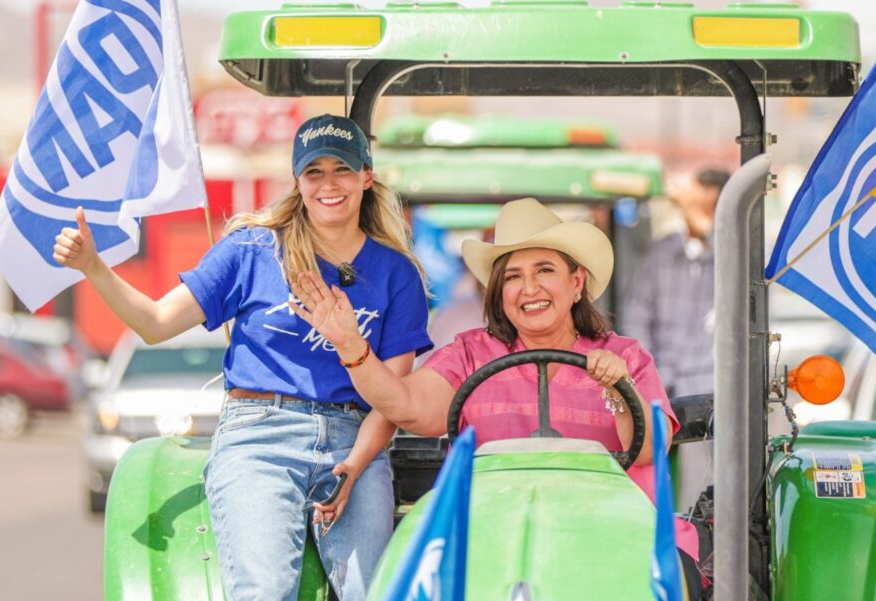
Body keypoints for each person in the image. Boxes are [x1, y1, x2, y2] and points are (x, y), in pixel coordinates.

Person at [52, 114, 432, 601]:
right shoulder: (253, 250)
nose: (329, 183)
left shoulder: (397, 273)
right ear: (297, 181)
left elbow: (393, 399)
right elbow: (156, 323)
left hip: (355, 442)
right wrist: (93, 267)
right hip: (260, 434)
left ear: (366, 179)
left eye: (342, 170)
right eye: (314, 171)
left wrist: (353, 467)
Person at [289, 197, 681, 498]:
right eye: (513, 276)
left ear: (577, 282)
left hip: (598, 526)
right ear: (499, 292)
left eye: (545, 270)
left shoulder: (626, 357)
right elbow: (404, 404)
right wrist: (351, 345)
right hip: (490, 527)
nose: (529, 289)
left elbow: (648, 451)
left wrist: (616, 386)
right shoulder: (469, 355)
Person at [622, 167, 730, 398]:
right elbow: (635, 317)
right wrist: (648, 374)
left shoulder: (735, 253)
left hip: (717, 386)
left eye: (710, 207)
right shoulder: (661, 252)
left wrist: (708, 227)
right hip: (664, 384)